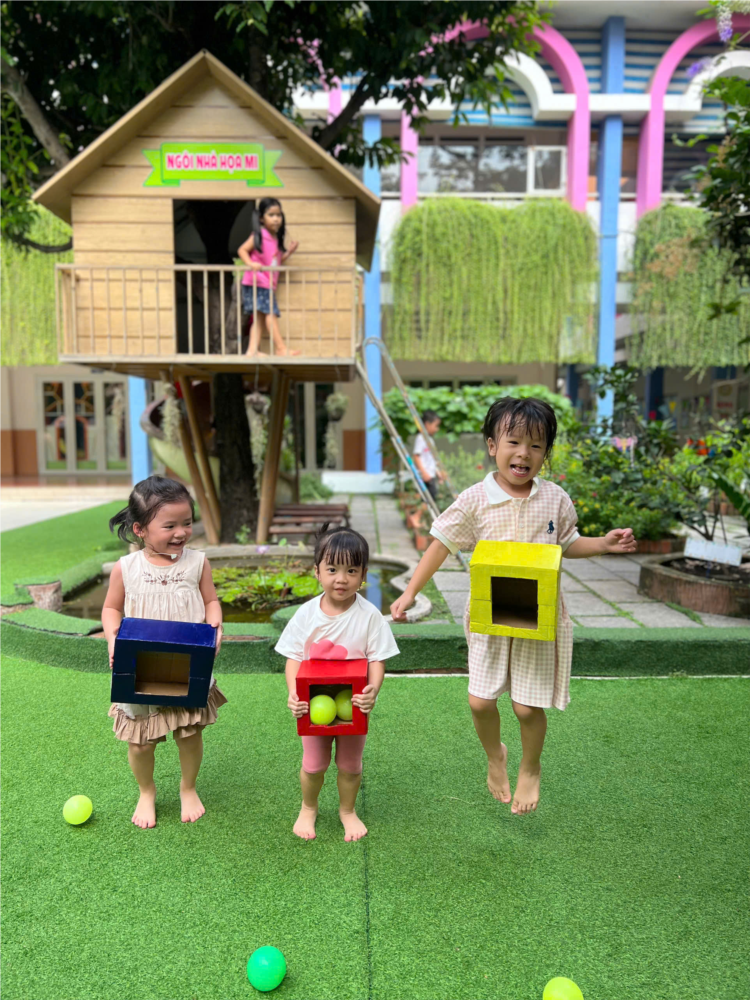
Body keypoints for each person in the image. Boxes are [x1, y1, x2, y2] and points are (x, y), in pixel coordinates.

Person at [391, 397, 636, 816]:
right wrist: (411, 591)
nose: (524, 453)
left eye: (536, 446)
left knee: (526, 706)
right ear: (492, 446)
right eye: (514, 442)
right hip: (489, 616)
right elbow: (441, 544)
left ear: (546, 453)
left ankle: (531, 766)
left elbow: (568, 543)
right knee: (480, 702)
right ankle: (495, 755)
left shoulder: (555, 498)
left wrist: (604, 545)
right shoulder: (474, 499)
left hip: (538, 617)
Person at [102, 476, 225, 829]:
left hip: (187, 663)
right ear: (140, 529)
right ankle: (146, 791)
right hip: (140, 666)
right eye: (169, 525)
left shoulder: (197, 563)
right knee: (140, 742)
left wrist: (215, 625)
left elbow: (211, 601)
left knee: (189, 732)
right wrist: (113, 638)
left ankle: (188, 787)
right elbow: (111, 609)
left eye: (187, 522)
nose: (181, 532)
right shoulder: (126, 568)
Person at [276, 525, 399, 842]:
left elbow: (377, 659)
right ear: (317, 571)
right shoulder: (306, 614)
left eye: (351, 570)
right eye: (332, 569)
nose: (341, 579)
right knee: (314, 764)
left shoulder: (370, 615)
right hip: (312, 704)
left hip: (353, 705)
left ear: (364, 575)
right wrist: (293, 693)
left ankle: (348, 810)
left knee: (350, 765)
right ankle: (308, 807)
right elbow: (293, 657)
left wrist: (373, 690)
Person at [238, 197, 300, 357]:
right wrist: (251, 263)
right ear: (261, 218)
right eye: (271, 215)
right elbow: (242, 250)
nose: (276, 219)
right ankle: (280, 348)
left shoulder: (274, 239)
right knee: (270, 313)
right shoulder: (259, 235)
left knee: (259, 318)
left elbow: (275, 261)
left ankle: (252, 351)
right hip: (258, 281)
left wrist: (289, 252)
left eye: (278, 215)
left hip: (265, 283)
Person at [412, 410, 445, 501]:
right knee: (428, 498)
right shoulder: (421, 438)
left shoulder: (430, 440)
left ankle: (418, 509)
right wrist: (423, 472)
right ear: (427, 424)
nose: (437, 429)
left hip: (430, 475)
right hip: (425, 476)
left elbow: (432, 460)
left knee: (430, 497)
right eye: (436, 426)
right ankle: (418, 511)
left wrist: (438, 473)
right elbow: (416, 456)